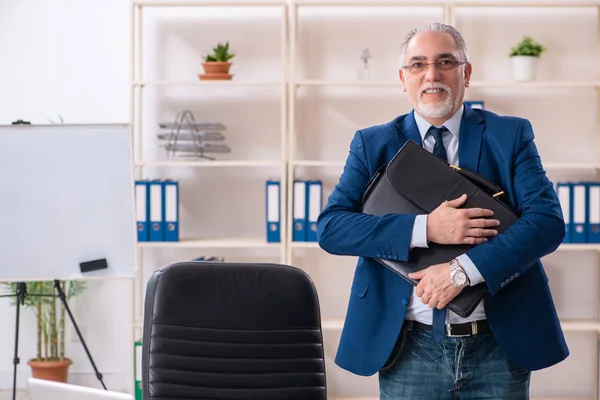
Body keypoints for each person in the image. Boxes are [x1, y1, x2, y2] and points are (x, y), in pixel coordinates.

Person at [316, 22, 568, 399]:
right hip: (407, 348)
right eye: (418, 65)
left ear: (466, 73)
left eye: (445, 62)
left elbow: (546, 223)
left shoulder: (510, 135)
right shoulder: (372, 143)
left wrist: (461, 272)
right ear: (403, 78)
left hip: (497, 345)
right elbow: (332, 229)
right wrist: (426, 229)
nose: (431, 74)